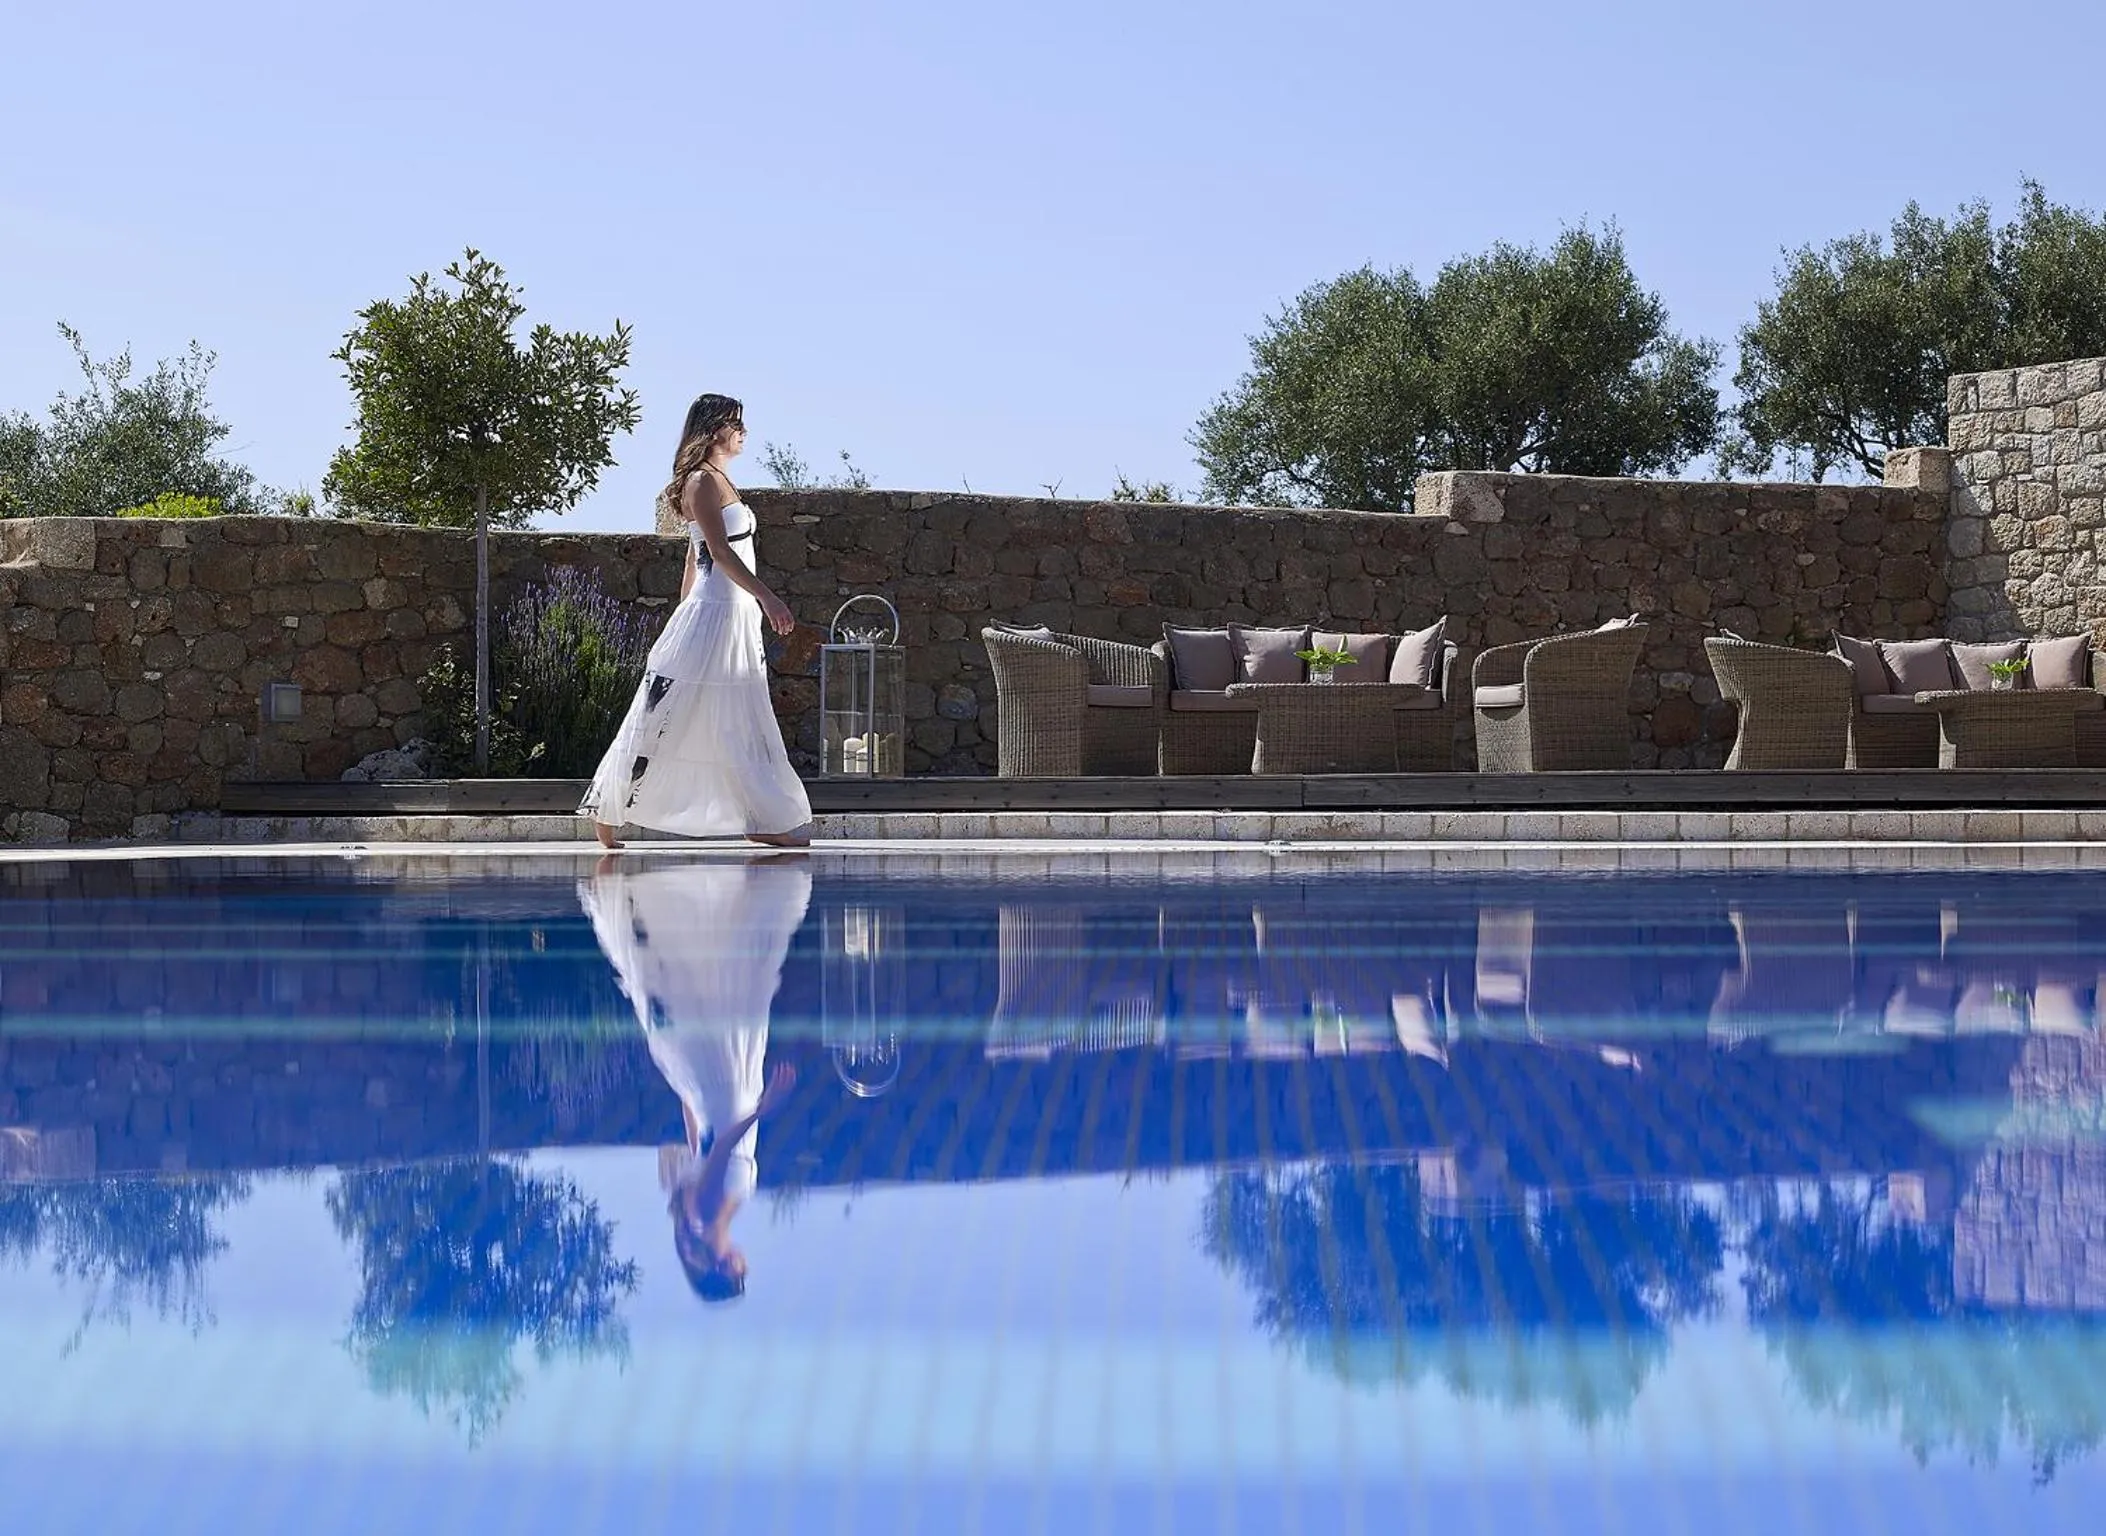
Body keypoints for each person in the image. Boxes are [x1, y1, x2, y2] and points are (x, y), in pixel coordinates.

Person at [580, 393, 814, 848]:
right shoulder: (700, 482)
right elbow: (716, 553)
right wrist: (768, 598)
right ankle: (607, 810)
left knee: (738, 716)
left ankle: (759, 819)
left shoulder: (722, 480)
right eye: (736, 424)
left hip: (732, 614)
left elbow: (694, 556)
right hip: (714, 613)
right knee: (660, 712)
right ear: (714, 429)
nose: (743, 432)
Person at [577, 855, 812, 1302]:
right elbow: (701, 1143)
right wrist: (687, 1085)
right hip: (719, 1095)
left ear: (725, 1266)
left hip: (729, 1096)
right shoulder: (706, 1217)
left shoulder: (705, 1213)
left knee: (728, 984)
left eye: (739, 1274)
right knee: (721, 987)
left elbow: (720, 1146)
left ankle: (717, 890)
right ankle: (702, 891)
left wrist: (763, 1109)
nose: (745, 1265)